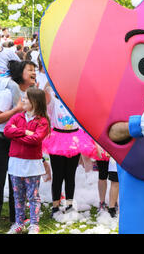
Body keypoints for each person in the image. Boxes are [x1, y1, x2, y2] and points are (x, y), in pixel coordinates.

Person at [42, 85, 96, 217]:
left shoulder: (78, 103)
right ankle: (55, 206)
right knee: (58, 175)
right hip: (57, 140)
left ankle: (70, 204)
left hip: (75, 139)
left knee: (70, 174)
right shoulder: (54, 102)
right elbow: (45, 93)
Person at [4, 87, 50, 234]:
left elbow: (35, 139)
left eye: (26, 98)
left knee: (33, 196)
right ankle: (19, 223)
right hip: (15, 163)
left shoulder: (42, 121)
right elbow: (6, 131)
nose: (22, 100)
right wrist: (24, 131)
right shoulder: (18, 117)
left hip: (32, 164)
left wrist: (16, 135)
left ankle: (34, 224)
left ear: (35, 102)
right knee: (18, 195)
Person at [0, 60, 37, 226]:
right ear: (21, 74)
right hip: (1, 141)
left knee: (18, 181)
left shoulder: (30, 94)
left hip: (18, 141)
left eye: (35, 69)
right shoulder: (7, 93)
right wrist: (16, 110)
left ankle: (17, 219)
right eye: (30, 69)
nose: (34, 72)